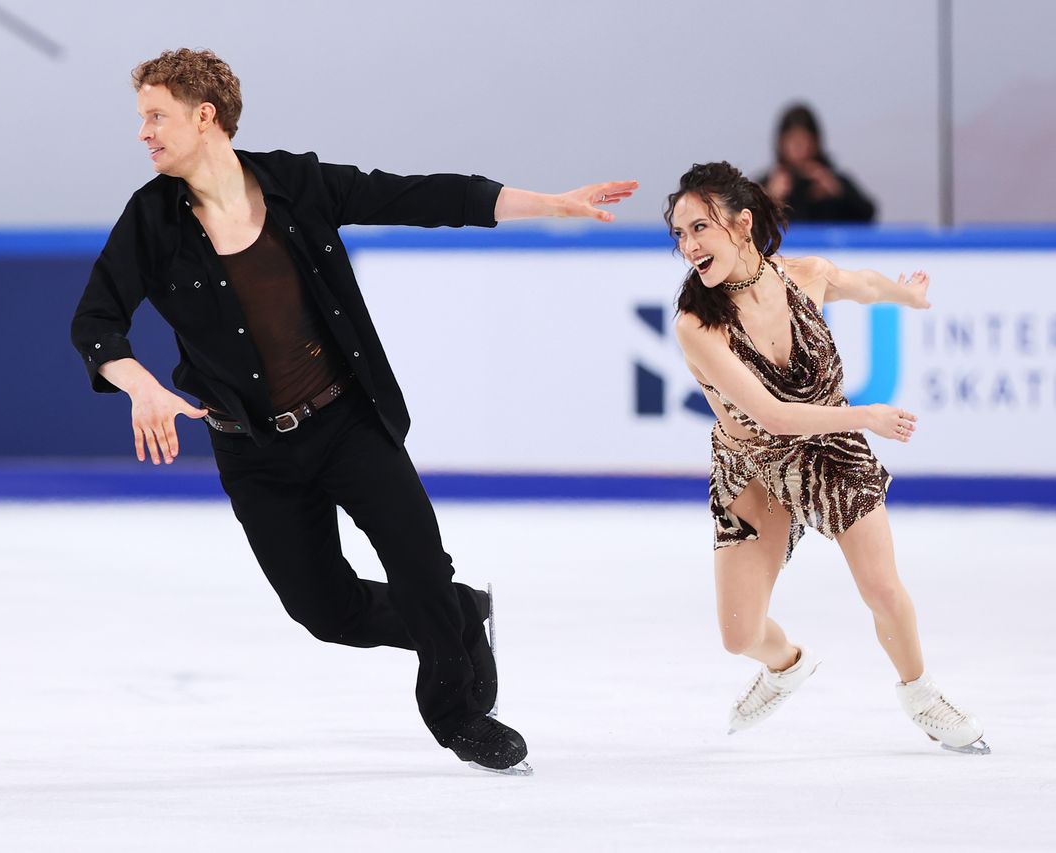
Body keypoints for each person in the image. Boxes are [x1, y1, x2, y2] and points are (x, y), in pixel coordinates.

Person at [70, 48, 637, 775]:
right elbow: (95, 321)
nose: (143, 132)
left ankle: (456, 713)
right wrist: (139, 385)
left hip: (345, 421)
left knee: (419, 566)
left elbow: (421, 197)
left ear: (204, 116)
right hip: (253, 452)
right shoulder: (151, 221)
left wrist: (548, 204)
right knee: (327, 612)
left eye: (156, 116)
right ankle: (462, 615)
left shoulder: (297, 184)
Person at [666, 161, 989, 755]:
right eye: (680, 234)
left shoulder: (804, 276)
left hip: (831, 453)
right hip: (753, 463)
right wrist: (865, 416)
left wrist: (907, 295)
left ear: (742, 224)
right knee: (739, 636)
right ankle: (787, 665)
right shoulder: (696, 325)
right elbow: (774, 417)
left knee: (883, 589)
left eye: (699, 228)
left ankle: (921, 694)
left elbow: (862, 284)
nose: (688, 246)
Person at [757, 103, 876, 223]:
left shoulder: (832, 182)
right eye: (793, 141)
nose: (799, 149)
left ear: (816, 142)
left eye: (804, 140)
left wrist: (839, 193)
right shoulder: (766, 184)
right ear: (780, 143)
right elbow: (747, 222)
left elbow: (868, 215)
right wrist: (768, 200)